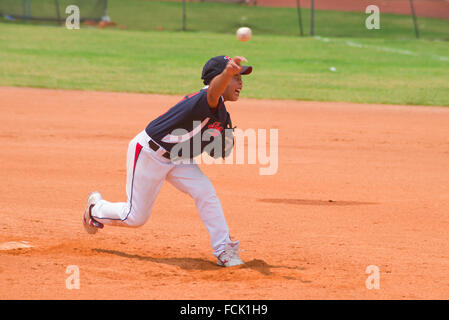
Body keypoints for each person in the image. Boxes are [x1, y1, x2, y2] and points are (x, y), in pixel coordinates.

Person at [83, 55, 252, 267]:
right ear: (221, 78)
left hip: (178, 157)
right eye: (236, 77)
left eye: (240, 77)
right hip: (149, 153)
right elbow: (213, 90)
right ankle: (95, 209)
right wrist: (226, 74)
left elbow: (218, 152)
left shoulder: (222, 114)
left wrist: (221, 142)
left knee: (205, 191)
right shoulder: (205, 99)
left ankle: (223, 249)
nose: (241, 82)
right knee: (135, 217)